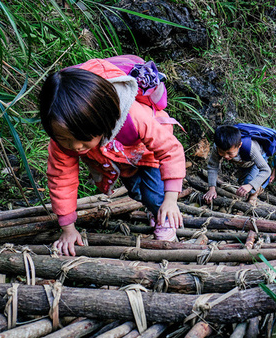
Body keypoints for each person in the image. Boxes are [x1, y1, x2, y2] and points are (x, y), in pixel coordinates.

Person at [39, 58, 186, 256]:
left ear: (104, 121)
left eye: (83, 139)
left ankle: (163, 217)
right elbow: (61, 179)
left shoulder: (134, 117)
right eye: (65, 139)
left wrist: (171, 200)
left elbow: (170, 150)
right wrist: (68, 228)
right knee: (136, 192)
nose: (75, 147)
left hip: (150, 153)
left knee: (155, 195)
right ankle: (154, 207)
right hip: (119, 159)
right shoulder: (62, 138)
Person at [203, 125, 271, 206]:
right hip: (244, 162)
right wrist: (212, 188)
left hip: (258, 160)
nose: (226, 156)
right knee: (242, 184)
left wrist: (250, 185)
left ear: (239, 145)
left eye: (229, 153)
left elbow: (266, 170)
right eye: (222, 152)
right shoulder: (218, 146)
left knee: (249, 183)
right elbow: (212, 166)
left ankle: (254, 195)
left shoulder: (250, 147)